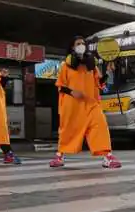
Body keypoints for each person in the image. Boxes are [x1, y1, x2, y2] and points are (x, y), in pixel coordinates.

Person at [50, 36, 122, 169]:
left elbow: (99, 83)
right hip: (72, 105)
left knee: (100, 126)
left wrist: (108, 72)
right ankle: (59, 156)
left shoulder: (92, 65)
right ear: (72, 47)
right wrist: (73, 92)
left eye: (83, 43)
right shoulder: (65, 65)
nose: (81, 45)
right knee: (68, 131)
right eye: (78, 43)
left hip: (91, 104)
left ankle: (108, 157)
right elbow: (60, 85)